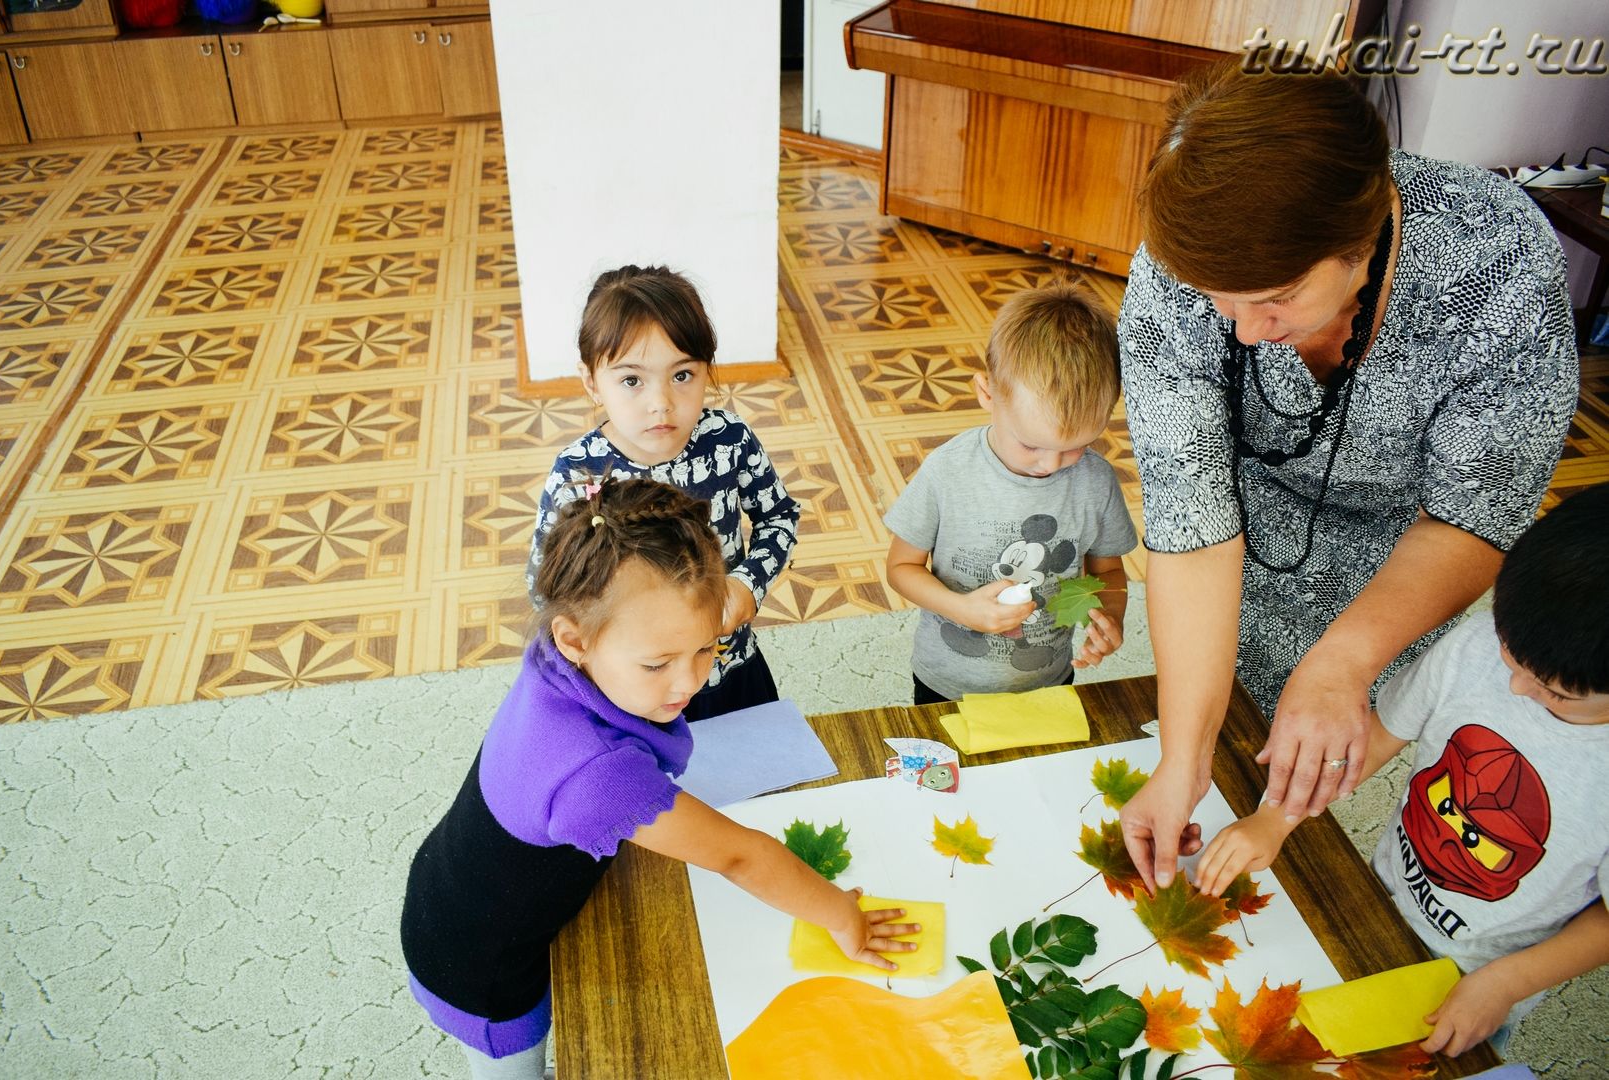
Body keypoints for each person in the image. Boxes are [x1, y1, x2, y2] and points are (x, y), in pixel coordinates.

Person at [1115, 58, 1578, 891]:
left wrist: (1343, 663)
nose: (1248, 333)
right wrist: (1180, 761)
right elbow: (1190, 514)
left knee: (1339, 805)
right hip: (1236, 556)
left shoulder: (1497, 259)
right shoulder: (1176, 271)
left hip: (1407, 569)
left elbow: (1476, 513)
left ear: (1361, 236)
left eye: (1279, 298)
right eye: (1224, 302)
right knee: (1210, 749)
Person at [404, 478, 916, 1079]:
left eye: (706, 648)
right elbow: (741, 857)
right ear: (575, 640)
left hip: (456, 882)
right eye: (657, 663)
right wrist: (841, 916)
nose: (690, 682)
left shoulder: (560, 649)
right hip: (479, 970)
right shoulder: (595, 777)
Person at [1196, 484, 1609, 1057]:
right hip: (1380, 888)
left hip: (1475, 975)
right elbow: (1384, 729)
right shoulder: (1474, 644)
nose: (1515, 687)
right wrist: (1277, 817)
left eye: (1556, 693)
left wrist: (1505, 984)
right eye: (1510, 655)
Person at [526, 265, 800, 721]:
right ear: (592, 381)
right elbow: (545, 587)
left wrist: (748, 584)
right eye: (632, 380)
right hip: (632, 690)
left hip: (726, 665)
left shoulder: (729, 440)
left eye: (682, 375)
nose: (661, 403)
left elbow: (780, 516)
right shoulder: (578, 470)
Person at [884, 281, 1138, 704]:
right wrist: (961, 609)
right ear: (987, 393)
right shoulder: (948, 470)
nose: (1051, 465)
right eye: (1031, 444)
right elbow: (900, 568)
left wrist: (1109, 617)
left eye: (1076, 446)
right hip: (946, 683)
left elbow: (1108, 573)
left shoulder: (1095, 481)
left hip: (1049, 679)